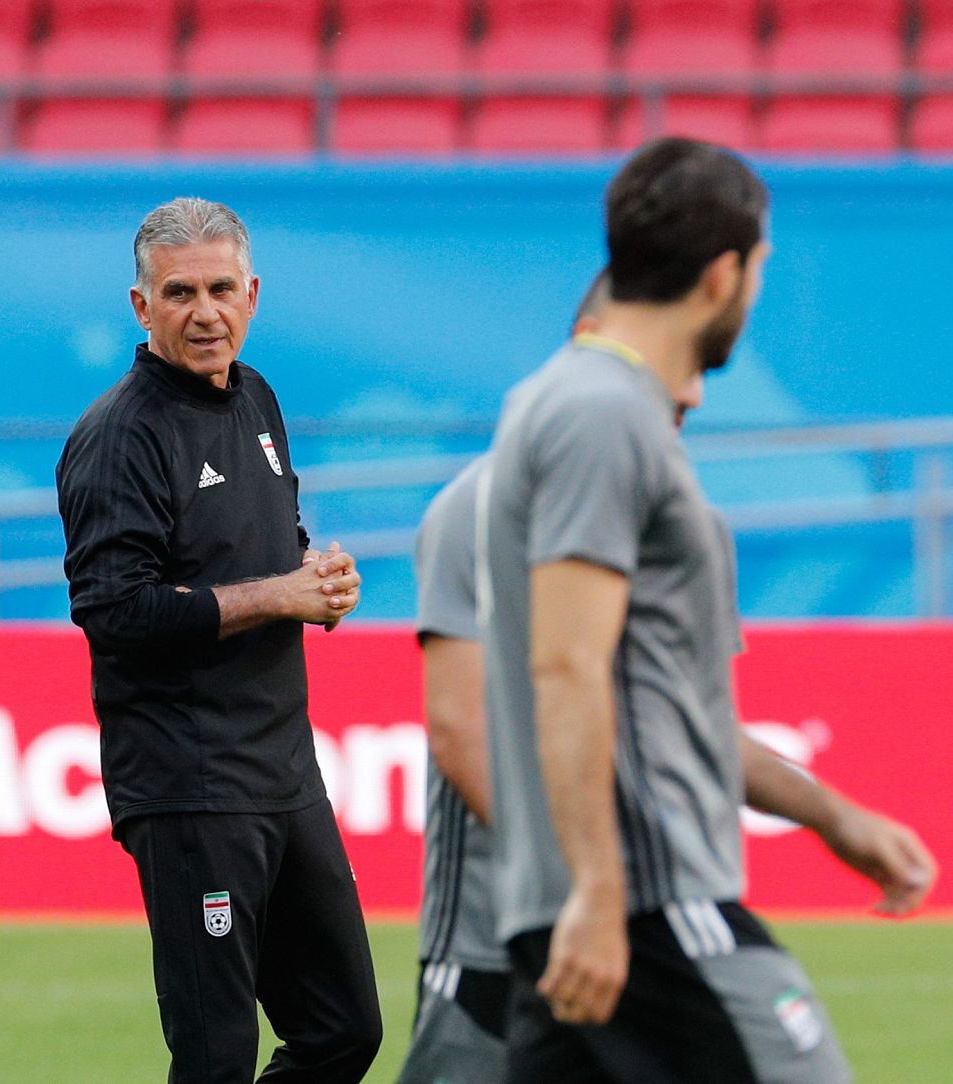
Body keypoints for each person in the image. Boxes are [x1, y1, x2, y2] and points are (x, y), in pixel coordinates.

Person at [396, 271, 938, 1084]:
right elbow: (460, 728)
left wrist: (833, 815)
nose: (694, 390)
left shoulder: (674, 513)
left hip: (620, 919)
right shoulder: (474, 509)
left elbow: (692, 729)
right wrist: (580, 885)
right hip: (501, 940)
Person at [480, 136, 868, 1082]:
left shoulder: (580, 406)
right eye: (760, 269)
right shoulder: (600, 413)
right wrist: (604, 894)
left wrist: (834, 817)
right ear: (723, 274)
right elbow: (566, 664)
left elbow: (650, 695)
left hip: (598, 907)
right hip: (651, 903)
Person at [56, 197, 383, 1084]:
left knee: (345, 1030)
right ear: (141, 306)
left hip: (284, 771)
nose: (205, 312)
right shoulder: (116, 438)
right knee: (216, 1057)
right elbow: (114, 611)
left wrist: (316, 576)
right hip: (190, 783)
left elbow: (275, 538)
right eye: (179, 293)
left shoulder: (259, 400)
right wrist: (279, 594)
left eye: (221, 289)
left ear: (253, 293)